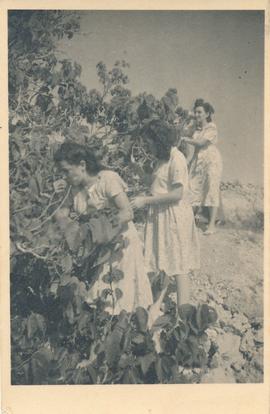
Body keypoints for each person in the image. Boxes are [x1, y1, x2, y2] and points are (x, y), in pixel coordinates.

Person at [53, 142, 153, 314]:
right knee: (98, 298)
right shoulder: (72, 188)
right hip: (95, 246)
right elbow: (61, 215)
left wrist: (101, 227)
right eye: (61, 172)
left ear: (82, 165)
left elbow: (127, 212)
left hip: (121, 243)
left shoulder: (107, 179)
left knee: (122, 297)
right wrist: (57, 196)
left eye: (66, 170)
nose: (64, 176)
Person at [131, 120, 200, 314]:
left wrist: (145, 201)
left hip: (174, 217)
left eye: (149, 142)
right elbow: (156, 184)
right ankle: (159, 302)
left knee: (179, 263)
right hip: (162, 215)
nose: (147, 146)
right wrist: (138, 171)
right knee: (167, 259)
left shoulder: (176, 159)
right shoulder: (162, 159)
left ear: (158, 140)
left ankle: (183, 311)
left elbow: (178, 194)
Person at [182, 99, 223, 234]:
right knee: (192, 187)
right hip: (198, 160)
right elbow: (183, 132)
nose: (197, 114)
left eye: (200, 112)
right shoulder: (195, 128)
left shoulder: (211, 127)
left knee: (211, 188)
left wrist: (186, 139)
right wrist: (189, 118)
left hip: (211, 160)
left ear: (207, 114)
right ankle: (189, 221)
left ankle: (211, 225)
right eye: (196, 112)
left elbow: (200, 143)